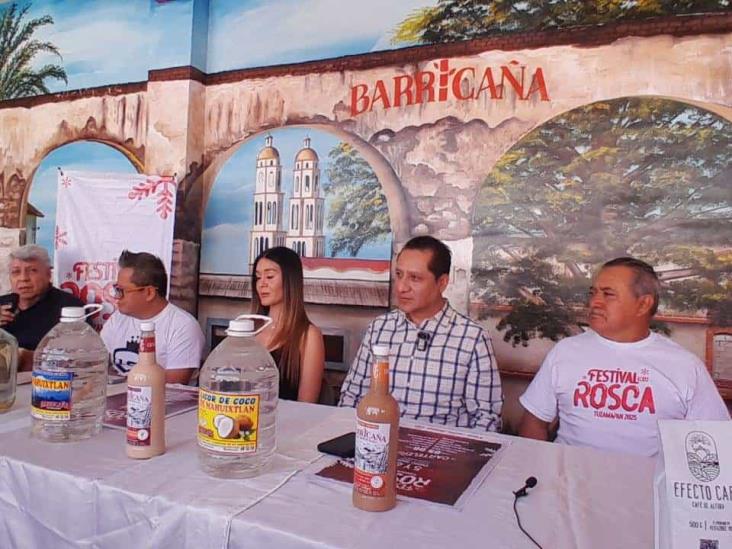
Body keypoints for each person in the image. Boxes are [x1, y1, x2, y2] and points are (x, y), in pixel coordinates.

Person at [519, 257, 730, 457]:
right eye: (593, 293)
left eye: (608, 294)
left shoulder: (684, 365)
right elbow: (534, 420)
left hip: (646, 489)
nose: (594, 302)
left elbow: (715, 439)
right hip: (566, 484)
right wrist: (540, 470)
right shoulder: (565, 352)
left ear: (643, 304)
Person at [339, 236, 503, 431]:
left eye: (415, 278)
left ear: (442, 282)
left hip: (440, 452)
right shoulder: (380, 329)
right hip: (375, 444)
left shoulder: (472, 339)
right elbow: (351, 398)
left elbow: (487, 419)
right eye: (399, 274)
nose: (401, 287)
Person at [101, 250, 204, 384]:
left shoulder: (183, 326)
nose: (116, 297)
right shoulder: (117, 319)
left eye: (122, 291)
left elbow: (174, 386)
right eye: (116, 290)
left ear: (149, 292)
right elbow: (96, 365)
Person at [252, 246, 325, 402]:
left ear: (290, 280)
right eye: (258, 277)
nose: (261, 284)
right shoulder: (249, 329)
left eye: (270, 276)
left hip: (285, 422)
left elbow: (307, 405)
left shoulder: (308, 336)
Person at [0, 245, 84, 370]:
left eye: (32, 271)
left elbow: (78, 358)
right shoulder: (3, 303)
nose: (23, 278)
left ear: (48, 274)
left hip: (47, 381)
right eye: (16, 272)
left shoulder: (69, 307)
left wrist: (23, 357)